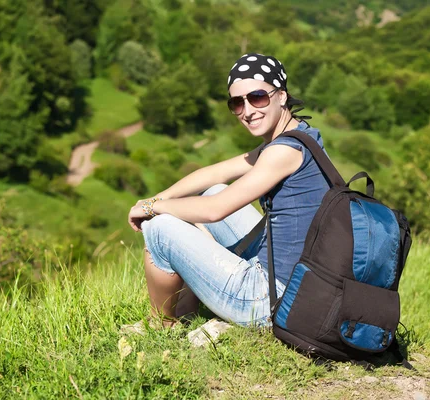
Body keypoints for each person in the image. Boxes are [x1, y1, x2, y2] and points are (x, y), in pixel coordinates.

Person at [127, 53, 330, 329]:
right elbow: (215, 173)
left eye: (257, 97)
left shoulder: (284, 152)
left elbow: (215, 211)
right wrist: (156, 198)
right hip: (297, 287)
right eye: (237, 103)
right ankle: (190, 307)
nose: (247, 111)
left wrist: (152, 209)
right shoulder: (301, 134)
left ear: (281, 96)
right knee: (213, 189)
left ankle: (161, 325)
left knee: (159, 229)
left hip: (271, 301)